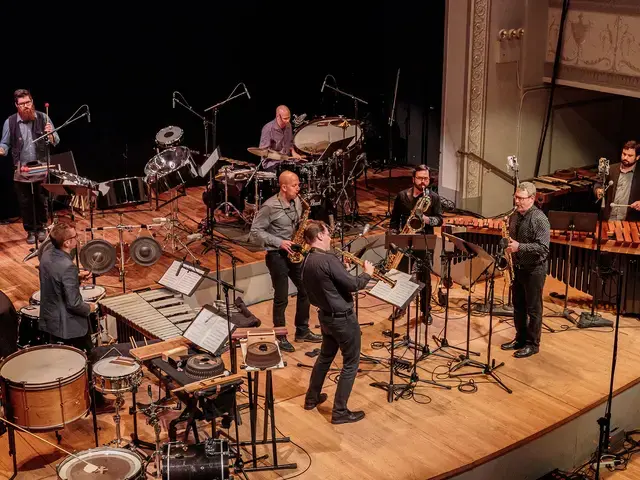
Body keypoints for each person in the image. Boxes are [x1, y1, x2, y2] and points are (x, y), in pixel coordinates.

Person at [301, 220, 373, 424]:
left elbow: (329, 283)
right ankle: (340, 412)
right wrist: (367, 273)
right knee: (351, 363)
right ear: (321, 236)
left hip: (325, 316)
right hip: (343, 319)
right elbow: (352, 285)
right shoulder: (329, 260)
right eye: (328, 233)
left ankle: (311, 398)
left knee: (325, 357)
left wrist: (342, 271)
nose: (330, 237)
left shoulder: (306, 260)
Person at [38, 222, 113, 410]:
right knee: (89, 360)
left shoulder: (46, 255)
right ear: (66, 243)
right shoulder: (67, 266)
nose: (77, 240)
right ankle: (96, 403)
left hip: (50, 319)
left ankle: (67, 401)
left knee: (63, 363)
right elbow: (73, 304)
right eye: (74, 237)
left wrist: (76, 279)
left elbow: (55, 281)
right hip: (70, 326)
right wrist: (91, 307)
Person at [249, 170, 321, 352]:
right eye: (295, 185)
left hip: (295, 253)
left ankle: (302, 330)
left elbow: (296, 223)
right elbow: (255, 233)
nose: (299, 188)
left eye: (298, 184)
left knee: (306, 290)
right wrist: (279, 242)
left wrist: (305, 225)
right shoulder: (269, 207)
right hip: (276, 255)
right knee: (281, 298)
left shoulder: (297, 201)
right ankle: (281, 337)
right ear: (284, 187)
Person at [0, 89, 60, 244]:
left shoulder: (43, 117)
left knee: (41, 199)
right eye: (22, 104)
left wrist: (51, 134)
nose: (26, 106)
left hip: (40, 166)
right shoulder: (10, 122)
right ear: (16, 105)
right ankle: (31, 231)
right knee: (25, 202)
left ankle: (41, 228)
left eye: (28, 102)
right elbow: (5, 144)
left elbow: (56, 140)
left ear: (32, 101)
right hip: (22, 168)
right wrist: (2, 150)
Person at [501, 182, 550, 358]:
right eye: (516, 197)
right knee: (518, 307)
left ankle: (532, 344)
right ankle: (520, 338)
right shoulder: (515, 215)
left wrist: (519, 247)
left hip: (534, 270)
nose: (517, 201)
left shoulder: (539, 219)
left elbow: (543, 248)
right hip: (518, 268)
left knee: (533, 309)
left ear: (531, 198)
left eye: (521, 198)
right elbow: (512, 240)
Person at [388, 165, 443, 323]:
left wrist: (426, 219)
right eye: (420, 178)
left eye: (426, 178)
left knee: (424, 278)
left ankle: (426, 311)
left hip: (424, 240)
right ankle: (400, 306)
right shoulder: (402, 196)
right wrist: (393, 236)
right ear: (413, 179)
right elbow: (394, 220)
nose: (423, 182)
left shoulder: (434, 197)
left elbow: (439, 219)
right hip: (405, 239)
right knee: (401, 277)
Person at [594, 140, 640, 221]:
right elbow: (599, 183)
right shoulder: (611, 169)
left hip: (629, 221)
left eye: (630, 155)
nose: (625, 157)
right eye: (624, 154)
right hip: (608, 219)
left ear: (637, 157)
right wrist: (598, 190)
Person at [258, 105, 304, 172]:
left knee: (302, 168)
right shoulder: (268, 129)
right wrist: (277, 156)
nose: (288, 121)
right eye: (285, 118)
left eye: (289, 118)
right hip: (272, 163)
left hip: (286, 161)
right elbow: (263, 150)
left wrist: (293, 152)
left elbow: (290, 143)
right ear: (278, 116)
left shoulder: (289, 125)